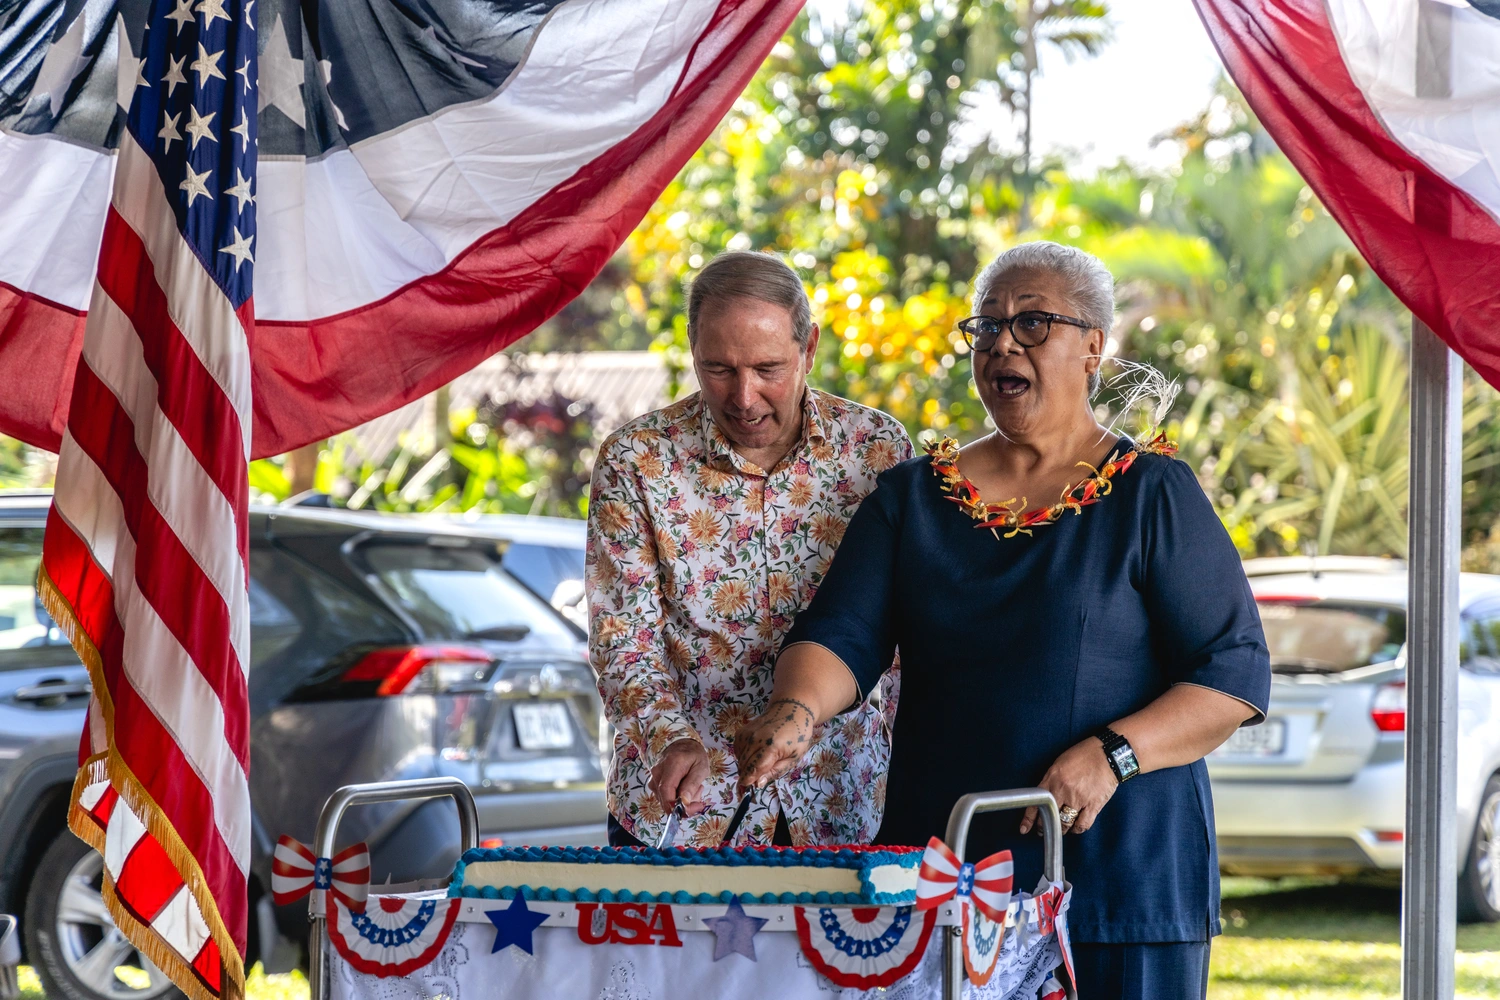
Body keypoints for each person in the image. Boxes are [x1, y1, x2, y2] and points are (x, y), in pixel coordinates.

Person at [733, 241, 1271, 999]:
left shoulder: (1154, 495)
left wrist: (1115, 755)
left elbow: (1234, 673)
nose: (1002, 343)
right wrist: (795, 709)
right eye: (986, 327)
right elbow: (840, 636)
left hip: (1121, 883)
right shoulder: (911, 498)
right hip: (950, 882)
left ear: (1093, 346)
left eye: (1032, 323)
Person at [585, 250, 913, 849]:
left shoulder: (876, 448)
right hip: (682, 812)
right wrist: (669, 739)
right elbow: (621, 637)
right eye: (717, 368)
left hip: (840, 800)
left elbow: (902, 622)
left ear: (808, 347)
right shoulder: (636, 460)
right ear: (691, 347)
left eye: (768, 368)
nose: (743, 396)